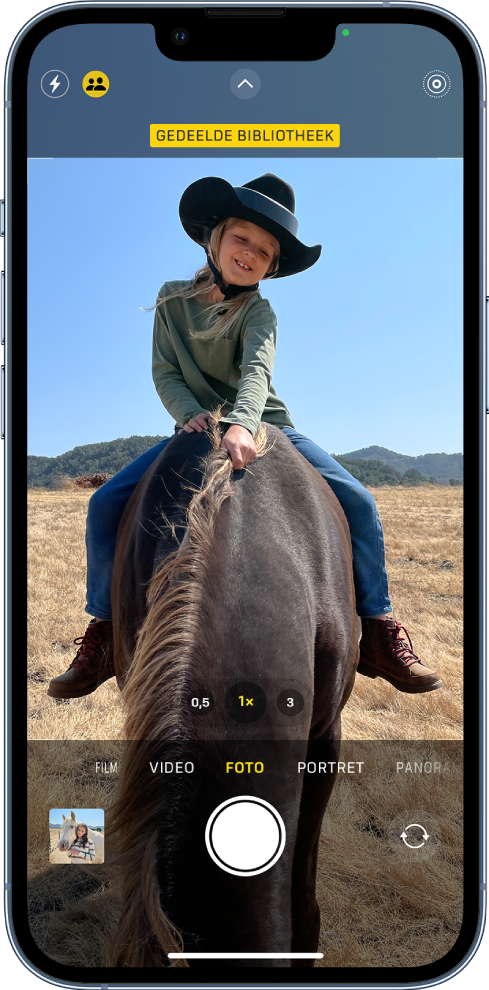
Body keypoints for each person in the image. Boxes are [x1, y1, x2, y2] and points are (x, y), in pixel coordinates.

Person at [47, 173, 443, 700]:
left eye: (264, 251)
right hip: (195, 425)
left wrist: (242, 421)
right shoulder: (171, 299)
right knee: (103, 505)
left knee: (360, 501)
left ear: (272, 266)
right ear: (215, 238)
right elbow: (165, 371)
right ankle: (104, 630)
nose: (250, 254)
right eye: (242, 239)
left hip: (264, 422)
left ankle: (378, 628)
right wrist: (190, 413)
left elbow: (257, 372)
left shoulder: (259, 311)